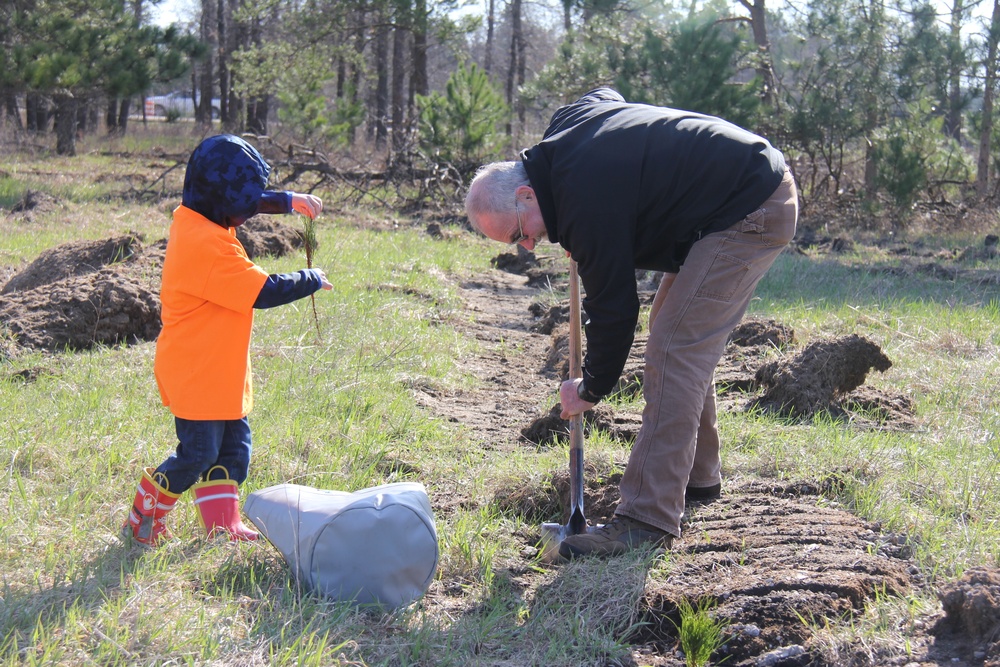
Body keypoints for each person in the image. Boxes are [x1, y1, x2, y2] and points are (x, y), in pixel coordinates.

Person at [465, 88, 798, 558]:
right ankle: (698, 481)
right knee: (675, 332)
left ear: (524, 192)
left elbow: (615, 310)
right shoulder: (561, 141)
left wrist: (590, 388)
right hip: (722, 206)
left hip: (749, 210)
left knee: (672, 348)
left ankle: (646, 519)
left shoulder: (582, 200)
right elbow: (603, 95)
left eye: (521, 233)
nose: (529, 247)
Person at [123, 134, 333, 546]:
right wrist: (310, 278)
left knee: (234, 451)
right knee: (198, 453)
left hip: (220, 370)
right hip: (196, 372)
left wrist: (289, 200)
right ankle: (142, 517)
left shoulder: (199, 216)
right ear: (225, 201)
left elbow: (242, 198)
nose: (250, 209)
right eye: (246, 202)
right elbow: (263, 291)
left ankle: (224, 525)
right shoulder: (204, 245)